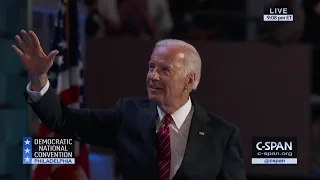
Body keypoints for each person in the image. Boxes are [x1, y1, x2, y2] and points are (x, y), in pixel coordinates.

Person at [12, 30, 246, 180]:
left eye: (164, 70)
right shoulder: (128, 115)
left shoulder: (222, 136)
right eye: (151, 67)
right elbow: (63, 120)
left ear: (190, 80)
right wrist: (38, 79)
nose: (153, 76)